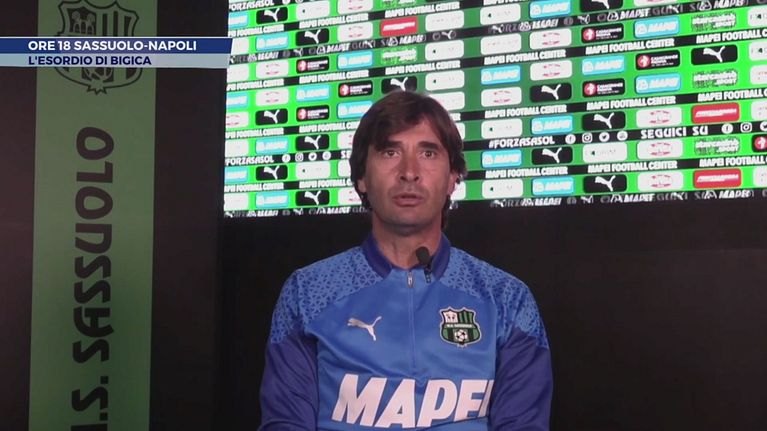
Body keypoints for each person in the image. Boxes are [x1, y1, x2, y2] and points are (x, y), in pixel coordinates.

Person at [259, 91, 552, 430]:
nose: (409, 172)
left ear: (453, 177)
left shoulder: (507, 299)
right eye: (390, 152)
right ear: (361, 177)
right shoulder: (307, 292)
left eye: (428, 153)